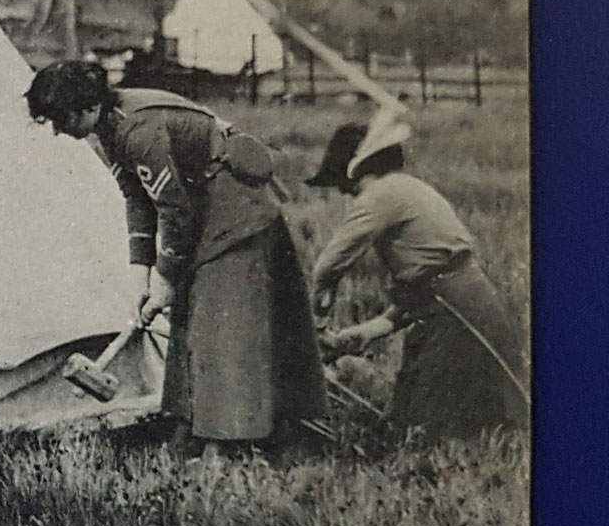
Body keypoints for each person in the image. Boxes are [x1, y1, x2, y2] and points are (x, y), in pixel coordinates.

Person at [26, 60, 325, 451]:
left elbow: (173, 210)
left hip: (237, 214)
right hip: (204, 212)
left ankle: (231, 443)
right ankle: (193, 427)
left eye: (59, 119)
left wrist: (165, 279)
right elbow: (137, 199)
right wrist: (141, 274)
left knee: (220, 327)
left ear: (85, 107)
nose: (57, 130)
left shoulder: (138, 129)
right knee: (189, 318)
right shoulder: (111, 128)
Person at [308, 111, 527, 436]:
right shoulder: (407, 188)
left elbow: (329, 263)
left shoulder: (380, 195)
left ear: (356, 170)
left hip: (459, 318)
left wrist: (318, 318)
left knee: (426, 428)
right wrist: (367, 332)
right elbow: (424, 292)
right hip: (467, 307)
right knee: (417, 419)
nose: (345, 194)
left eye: (344, 184)